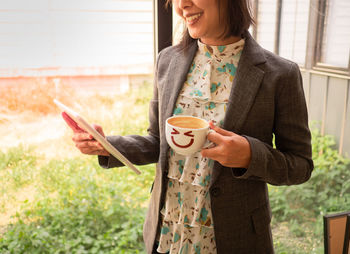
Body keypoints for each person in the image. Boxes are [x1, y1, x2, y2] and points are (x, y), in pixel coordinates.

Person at [68, 0, 314, 253]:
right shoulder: (167, 61)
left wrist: (250, 155)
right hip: (167, 233)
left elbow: (300, 165)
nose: (182, 5)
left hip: (236, 238)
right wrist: (107, 145)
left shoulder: (281, 74)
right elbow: (158, 141)